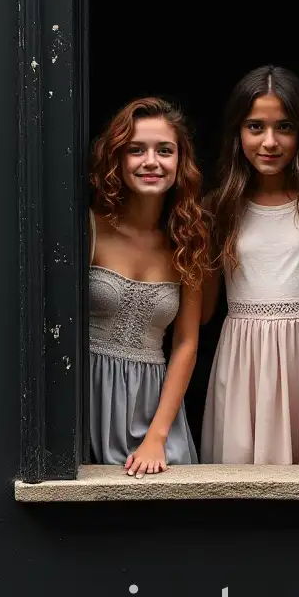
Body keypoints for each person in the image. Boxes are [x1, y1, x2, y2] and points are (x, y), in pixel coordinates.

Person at [201, 65, 299, 465]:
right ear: (237, 133)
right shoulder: (218, 208)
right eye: (255, 127)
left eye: (284, 127)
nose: (269, 141)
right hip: (244, 360)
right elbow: (204, 310)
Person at [88, 97, 209, 476]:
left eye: (165, 150)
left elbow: (186, 342)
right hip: (87, 398)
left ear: (180, 161)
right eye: (135, 150)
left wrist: (157, 435)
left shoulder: (188, 239)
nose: (151, 161)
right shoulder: (88, 228)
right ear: (116, 159)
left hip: (156, 407)